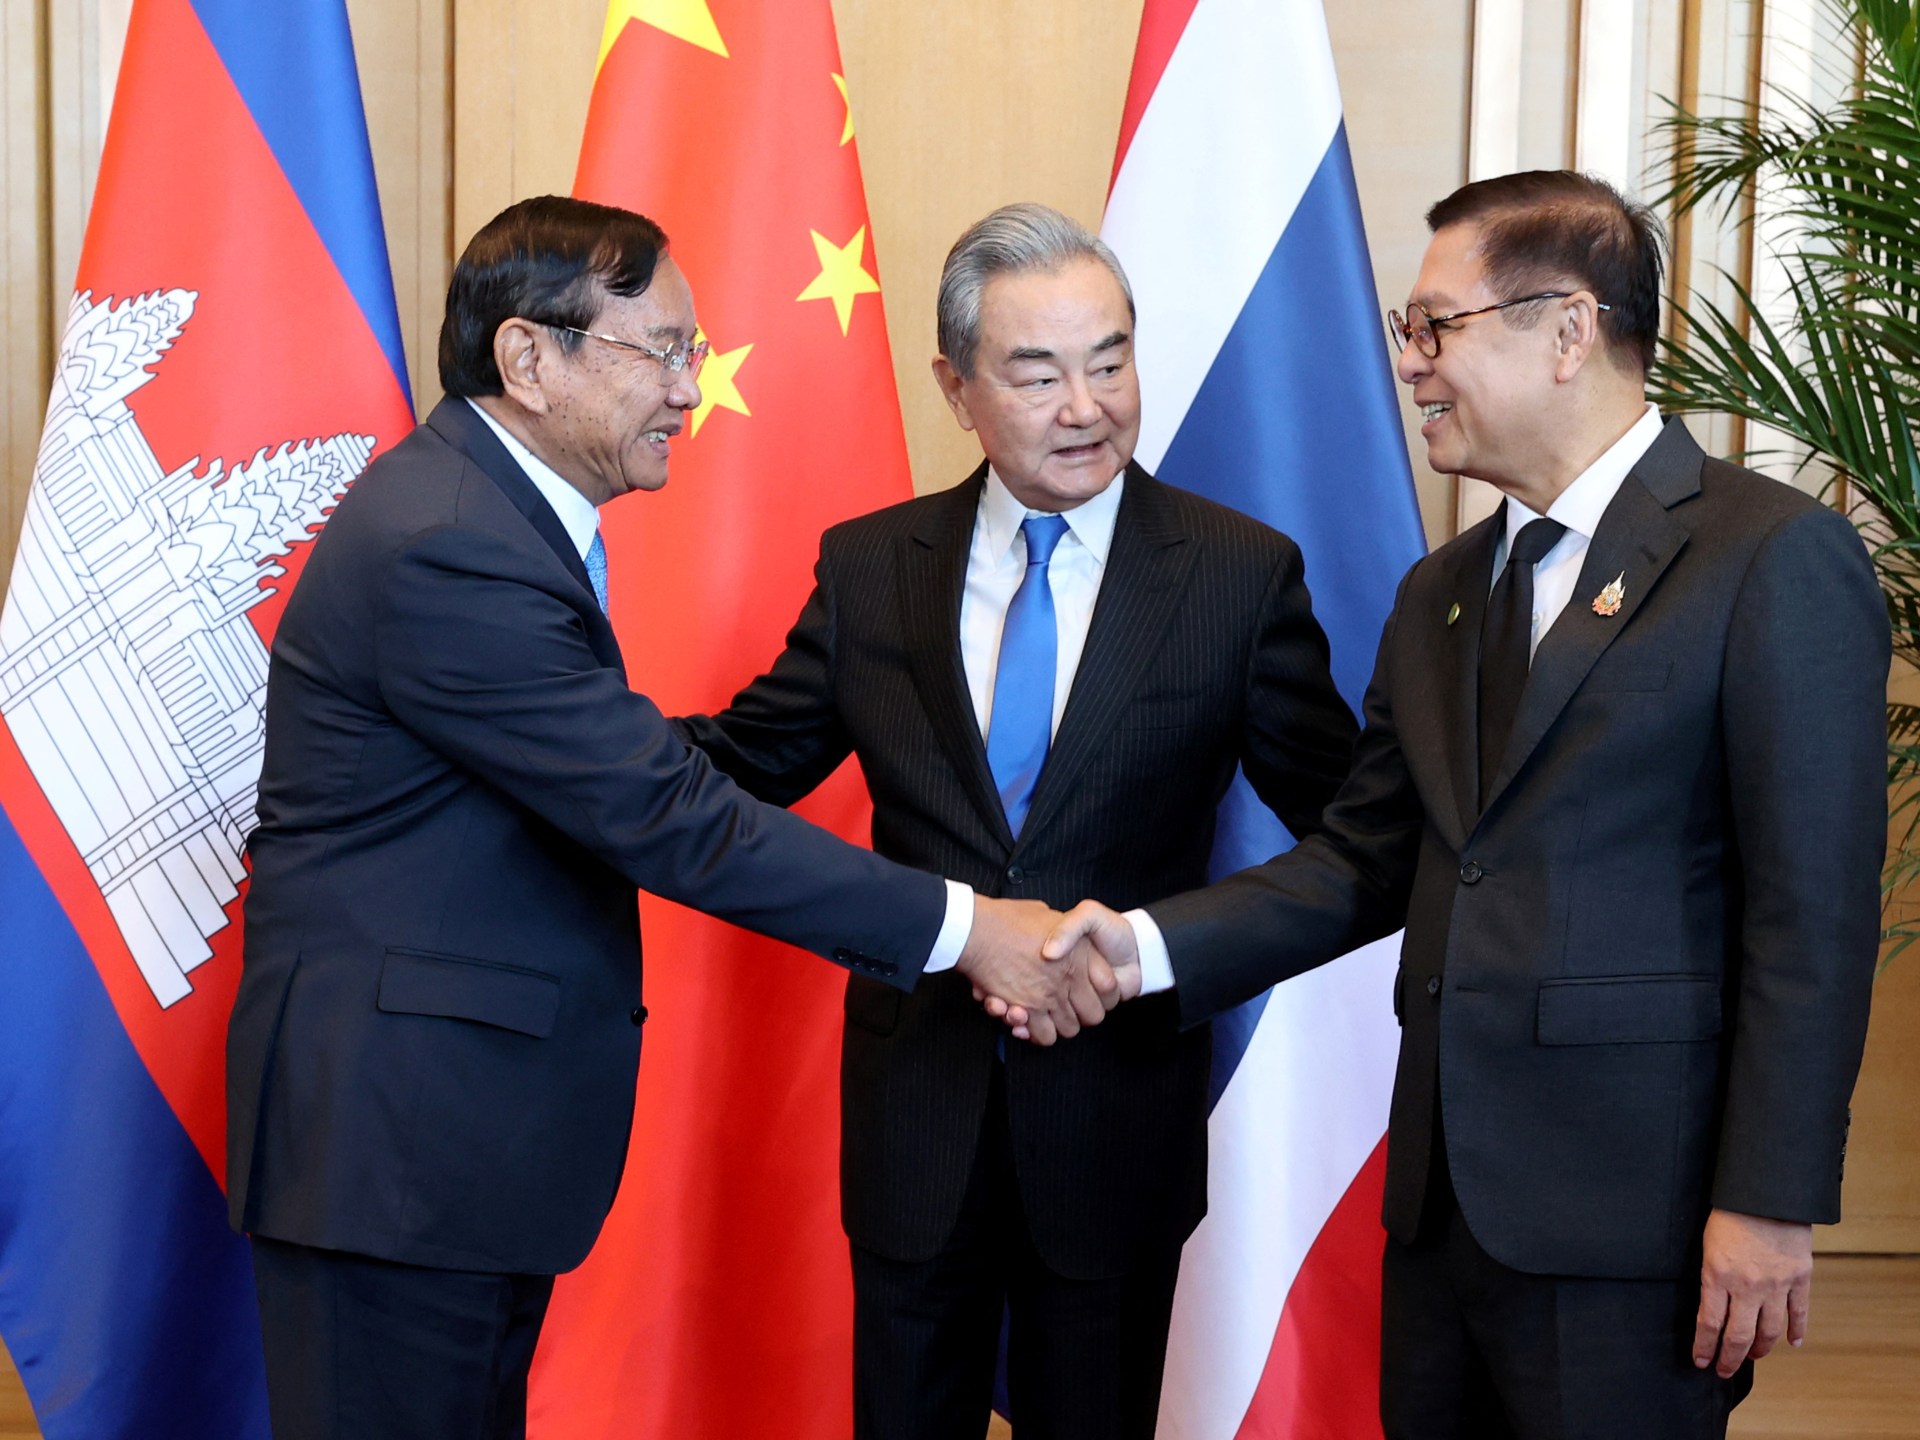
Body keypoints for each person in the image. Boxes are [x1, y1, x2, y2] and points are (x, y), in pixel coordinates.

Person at [224, 195, 1107, 1440]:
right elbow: (666, 817)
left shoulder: (480, 514)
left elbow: (617, 774)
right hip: (398, 1155)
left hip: (438, 1155)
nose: (691, 390)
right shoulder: (449, 544)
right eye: (663, 352)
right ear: (530, 359)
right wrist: (970, 929)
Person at [1038, 171, 1889, 1439]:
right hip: (1443, 1220)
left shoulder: (1767, 556)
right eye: (1408, 330)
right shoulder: (1440, 591)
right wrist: (1143, 947)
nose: (1410, 363)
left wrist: (1769, 1200)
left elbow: (1811, 917)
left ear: (1569, 330)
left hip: (1638, 1225)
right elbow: (1362, 860)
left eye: (1436, 327)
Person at [673, 202, 1357, 1440]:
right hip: (917, 1115)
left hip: (1117, 1116)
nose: (1087, 407)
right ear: (958, 388)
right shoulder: (872, 566)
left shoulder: (1238, 574)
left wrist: (1156, 952)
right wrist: (549, 732)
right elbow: (743, 762)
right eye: (1038, 376)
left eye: (1111, 361)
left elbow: (1351, 839)